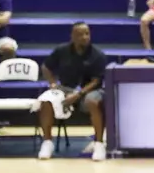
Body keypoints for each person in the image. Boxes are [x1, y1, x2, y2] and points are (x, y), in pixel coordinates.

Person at [37, 22, 108, 161]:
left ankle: (99, 144)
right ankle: (47, 143)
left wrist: (78, 94)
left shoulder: (97, 55)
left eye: (87, 33)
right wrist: (52, 83)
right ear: (73, 36)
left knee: (93, 101)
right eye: (81, 34)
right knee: (46, 100)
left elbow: (96, 81)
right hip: (65, 89)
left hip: (88, 91)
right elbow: (46, 67)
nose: (85, 37)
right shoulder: (61, 50)